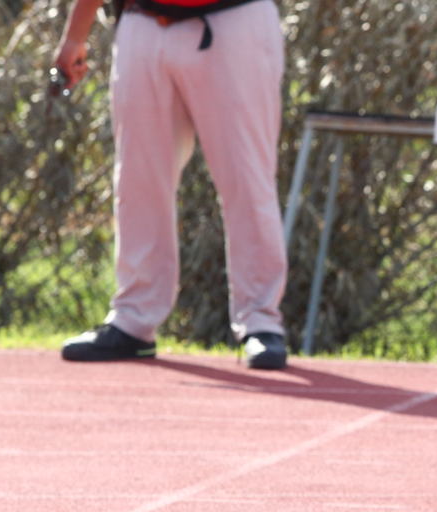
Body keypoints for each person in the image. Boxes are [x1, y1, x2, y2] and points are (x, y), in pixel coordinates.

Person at [52, 0, 289, 369]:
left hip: (234, 19)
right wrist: (75, 36)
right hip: (143, 23)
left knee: (247, 178)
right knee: (138, 181)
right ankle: (133, 320)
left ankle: (261, 322)